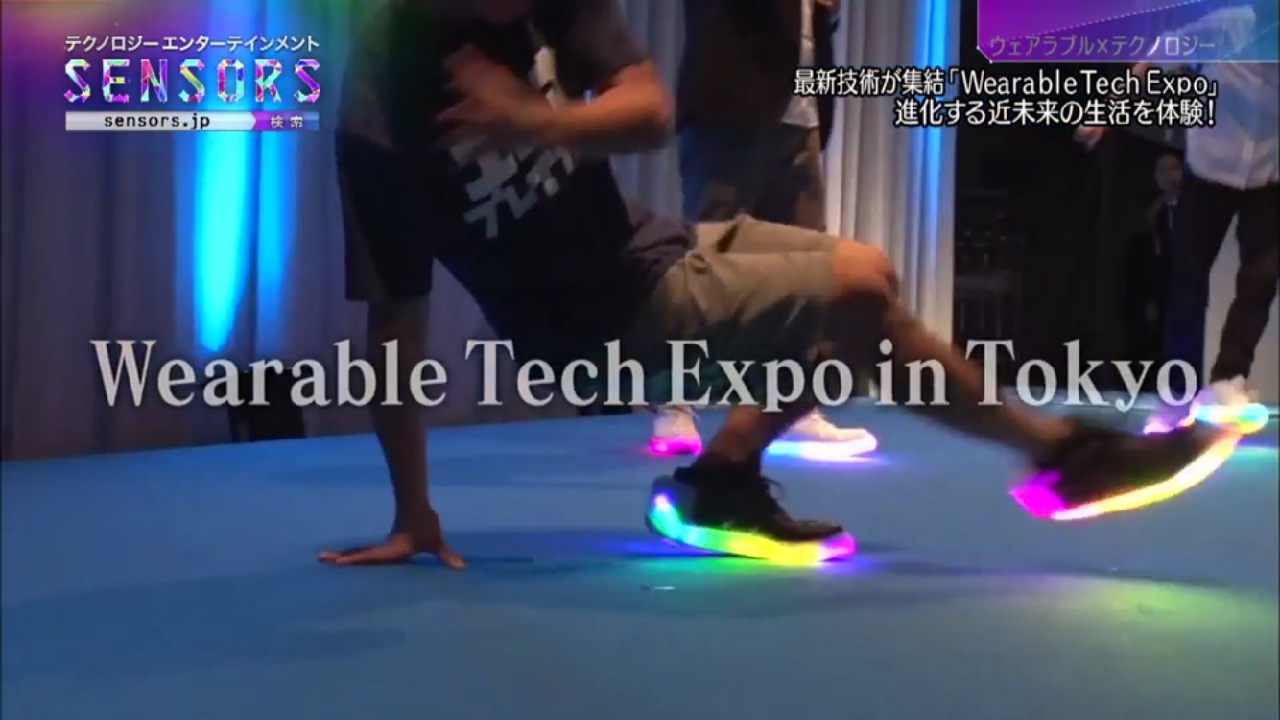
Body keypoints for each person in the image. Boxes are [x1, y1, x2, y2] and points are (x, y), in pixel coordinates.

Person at [326, 0, 1222, 568]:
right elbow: (394, 325)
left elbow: (649, 109)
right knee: (856, 291)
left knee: (870, 287)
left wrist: (535, 122)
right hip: (592, 328)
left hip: (649, 250)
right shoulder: (381, 116)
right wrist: (414, 511)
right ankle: (1061, 455)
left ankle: (723, 478)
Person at [650, 0, 868, 454]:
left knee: (806, 270)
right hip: (731, 108)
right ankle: (675, 406)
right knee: (707, 264)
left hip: (801, 113)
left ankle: (790, 408)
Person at [1078, 0, 1277, 432]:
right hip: (1208, 172)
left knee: (1261, 280)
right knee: (1187, 283)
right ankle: (1176, 394)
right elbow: (1154, 58)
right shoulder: (1227, 27)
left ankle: (1228, 380)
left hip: (1269, 176)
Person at [1124, 153, 1181, 366]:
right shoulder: (1154, 210)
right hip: (1160, 284)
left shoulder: (1193, 206)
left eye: (1173, 169)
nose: (1168, 175)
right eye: (1162, 171)